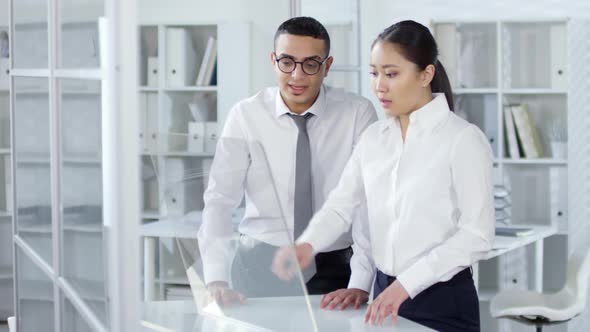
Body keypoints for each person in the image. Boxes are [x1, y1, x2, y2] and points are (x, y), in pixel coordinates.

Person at [272, 20, 494, 331]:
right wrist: (311, 248)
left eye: (391, 74)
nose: (379, 86)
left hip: (441, 302)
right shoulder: (374, 138)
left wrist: (405, 286)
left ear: (425, 74)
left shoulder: (462, 140)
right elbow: (345, 207)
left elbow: (477, 235)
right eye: (374, 73)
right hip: (382, 295)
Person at [197, 16, 378, 306]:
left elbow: (368, 204)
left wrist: (360, 282)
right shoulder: (246, 115)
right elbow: (219, 200)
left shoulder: (356, 114)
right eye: (287, 62)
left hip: (333, 268)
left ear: (327, 66)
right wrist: (216, 278)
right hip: (258, 265)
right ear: (273, 60)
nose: (297, 75)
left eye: (310, 64)